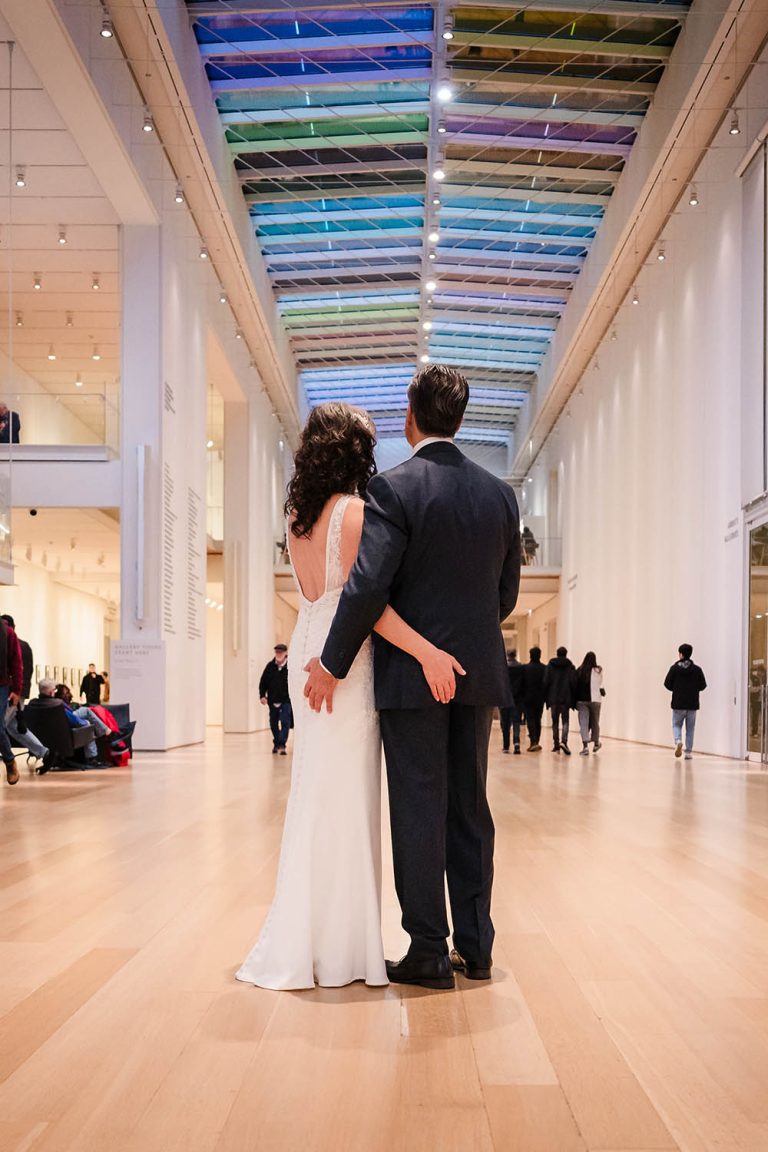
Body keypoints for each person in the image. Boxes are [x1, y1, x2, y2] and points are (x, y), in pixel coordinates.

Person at [238, 399, 472, 991]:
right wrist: (427, 651)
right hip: (346, 663)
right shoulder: (355, 513)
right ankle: (346, 945)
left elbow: (323, 598)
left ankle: (308, 935)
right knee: (351, 797)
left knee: (315, 792)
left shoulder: (296, 516)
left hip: (307, 649)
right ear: (355, 450)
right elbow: (366, 606)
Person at [303, 364, 521, 990]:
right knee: (471, 810)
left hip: (411, 680)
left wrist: (332, 663)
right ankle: (477, 948)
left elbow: (369, 587)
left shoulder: (393, 490)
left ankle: (429, 948)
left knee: (418, 809)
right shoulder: (500, 495)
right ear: (461, 416)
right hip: (475, 676)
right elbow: (501, 596)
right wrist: (462, 646)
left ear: (411, 415)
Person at [0, 613, 49, 768]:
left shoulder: (14, 642)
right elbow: (27, 671)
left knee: (3, 725)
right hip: (17, 691)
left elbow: (19, 668)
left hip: (11, 692)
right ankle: (44, 752)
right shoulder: (25, 645)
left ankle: (11, 759)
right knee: (12, 727)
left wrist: (17, 690)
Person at [26, 680, 109, 767]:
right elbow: (75, 721)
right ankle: (92, 758)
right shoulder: (57, 705)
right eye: (55, 690)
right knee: (88, 725)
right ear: (51, 693)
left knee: (85, 712)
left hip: (40, 737)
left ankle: (105, 731)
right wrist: (86, 722)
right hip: (63, 737)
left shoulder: (32, 703)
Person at [664, 644, 707, 760]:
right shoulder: (697, 670)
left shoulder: (674, 669)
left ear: (681, 654)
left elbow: (667, 683)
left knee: (676, 725)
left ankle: (678, 741)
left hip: (678, 703)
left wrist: (676, 688)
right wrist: (693, 689)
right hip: (692, 704)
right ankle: (688, 752)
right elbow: (703, 685)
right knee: (690, 728)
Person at [0, 616, 23, 784]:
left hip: (1, 685)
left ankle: (9, 760)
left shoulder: (7, 633)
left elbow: (16, 663)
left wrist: (16, 690)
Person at [259, 644, 292, 755]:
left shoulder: (290, 667)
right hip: (272, 700)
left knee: (285, 722)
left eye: (281, 652)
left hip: (286, 700)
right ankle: (277, 743)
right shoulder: (270, 667)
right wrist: (262, 696)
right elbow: (263, 683)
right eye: (277, 652)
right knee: (273, 723)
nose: (278, 654)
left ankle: (282, 744)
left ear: (285, 654)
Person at [544, 646, 576, 755]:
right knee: (565, 721)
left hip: (553, 698)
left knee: (555, 722)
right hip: (565, 698)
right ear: (566, 654)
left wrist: (546, 696)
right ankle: (564, 742)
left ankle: (556, 745)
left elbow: (546, 681)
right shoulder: (570, 666)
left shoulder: (550, 666)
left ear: (557, 653)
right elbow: (573, 683)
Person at [575, 651, 604, 755]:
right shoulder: (598, 670)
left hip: (582, 701)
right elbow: (601, 684)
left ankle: (585, 747)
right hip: (596, 700)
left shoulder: (579, 670)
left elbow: (575, 685)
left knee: (584, 723)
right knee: (595, 722)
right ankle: (596, 743)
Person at [500, 648, 525, 754]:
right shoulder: (521, 668)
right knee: (516, 722)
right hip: (517, 699)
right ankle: (516, 744)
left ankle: (506, 746)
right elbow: (524, 684)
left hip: (504, 699)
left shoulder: (503, 668)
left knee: (505, 723)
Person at [522, 646, 546, 751]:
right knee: (538, 719)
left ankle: (533, 741)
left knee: (530, 719)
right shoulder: (544, 668)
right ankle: (537, 741)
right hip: (540, 698)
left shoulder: (525, 668)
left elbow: (522, 683)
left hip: (528, 697)